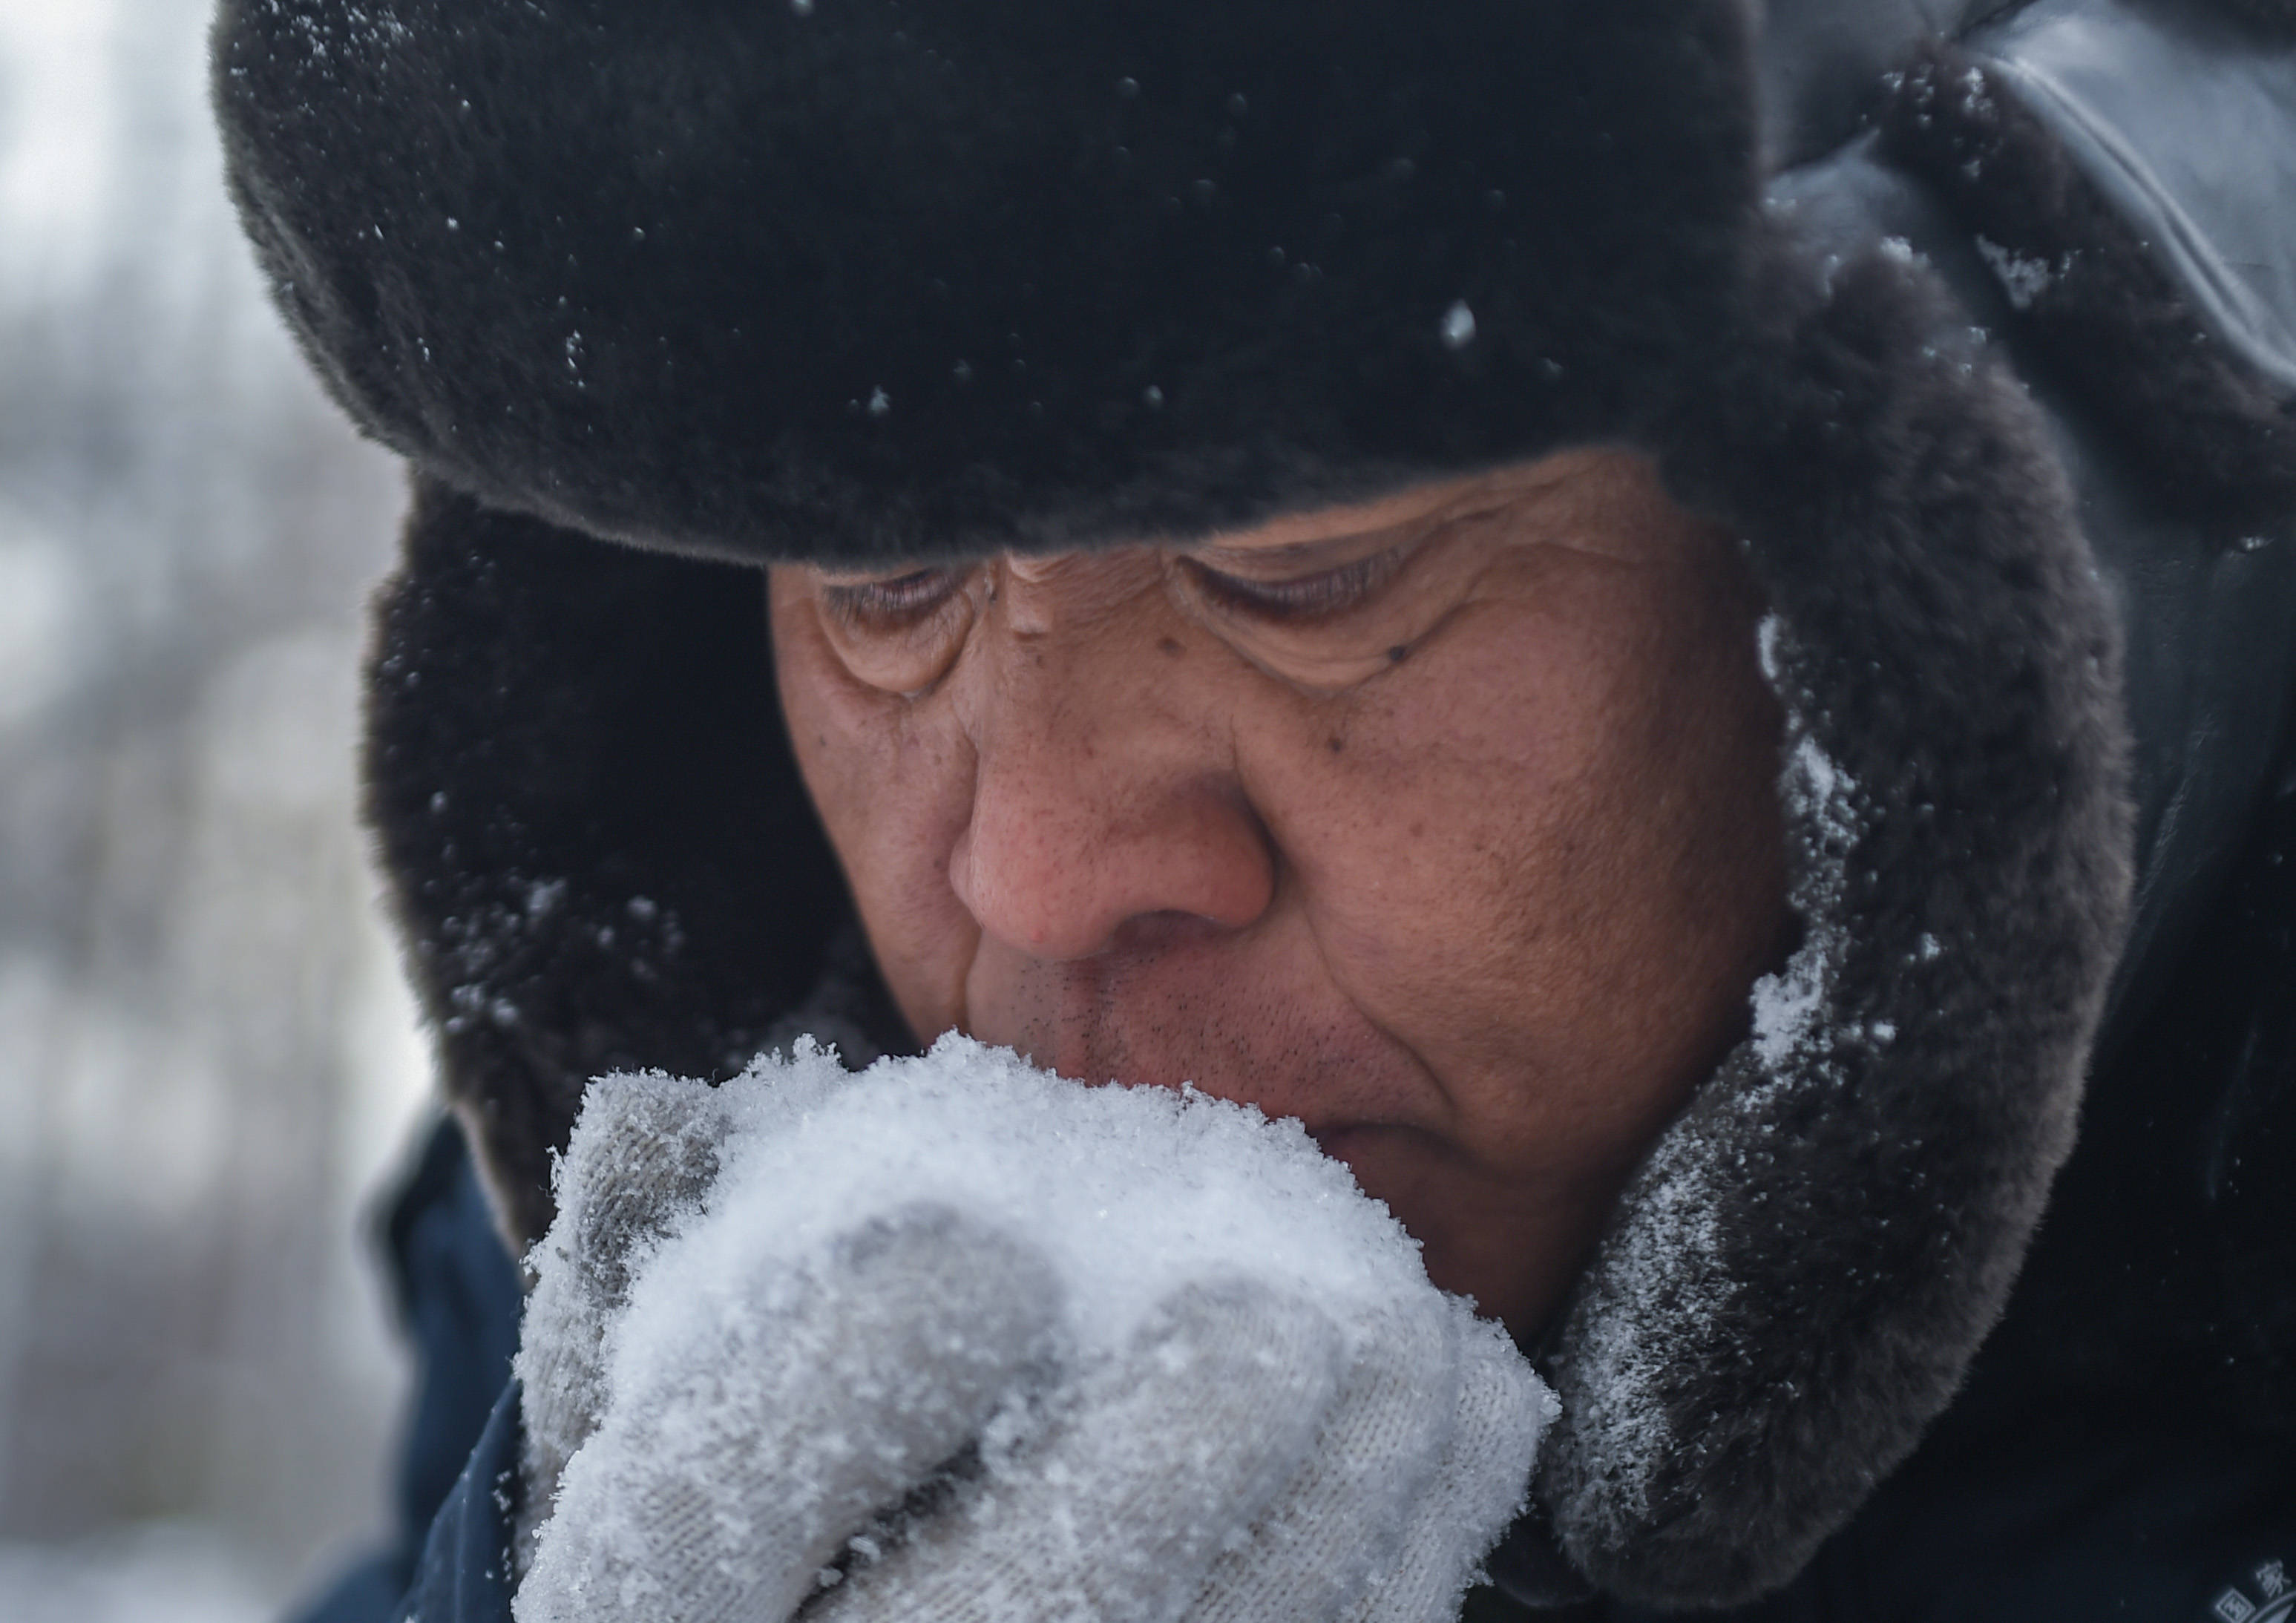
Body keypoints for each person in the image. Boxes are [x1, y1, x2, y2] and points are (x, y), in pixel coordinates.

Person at [211, 0, 2296, 1616]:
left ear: (1917, 557)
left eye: (1304, 569)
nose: (1031, 867)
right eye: (882, 586)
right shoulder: (654, 1265)